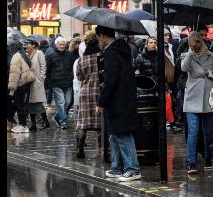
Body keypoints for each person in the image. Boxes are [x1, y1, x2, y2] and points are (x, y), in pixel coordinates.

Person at [96, 25, 141, 182]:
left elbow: (110, 80)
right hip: (125, 97)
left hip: (118, 100)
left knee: (122, 133)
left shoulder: (111, 53)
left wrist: (101, 101)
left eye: (98, 38)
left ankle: (133, 169)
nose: (98, 41)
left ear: (102, 36)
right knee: (114, 135)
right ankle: (116, 168)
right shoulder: (122, 49)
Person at [182, 32, 213, 174]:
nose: (195, 45)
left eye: (197, 42)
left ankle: (208, 158)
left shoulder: (211, 56)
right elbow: (184, 68)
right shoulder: (187, 55)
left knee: (208, 132)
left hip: (208, 98)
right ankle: (191, 162)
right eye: (192, 42)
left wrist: (210, 74)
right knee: (193, 131)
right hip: (192, 98)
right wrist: (190, 52)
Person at [75, 31, 101, 159]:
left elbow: (79, 77)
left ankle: (80, 148)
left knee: (82, 122)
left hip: (85, 93)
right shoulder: (101, 57)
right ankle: (103, 145)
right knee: (101, 120)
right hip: (99, 92)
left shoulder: (81, 59)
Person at [45, 36, 75, 129]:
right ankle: (63, 122)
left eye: (63, 44)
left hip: (68, 82)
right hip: (56, 83)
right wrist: (49, 82)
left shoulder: (70, 55)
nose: (62, 46)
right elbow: (47, 70)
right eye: (60, 44)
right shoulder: (51, 55)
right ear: (56, 45)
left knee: (68, 102)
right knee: (61, 103)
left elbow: (73, 67)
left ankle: (58, 117)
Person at [8, 40, 35, 133]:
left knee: (19, 105)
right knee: (21, 104)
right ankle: (22, 125)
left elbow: (14, 73)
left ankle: (22, 125)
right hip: (26, 83)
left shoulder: (15, 57)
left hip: (20, 84)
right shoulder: (24, 55)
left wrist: (12, 88)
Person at [24, 37, 50, 131]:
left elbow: (43, 66)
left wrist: (41, 79)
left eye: (28, 44)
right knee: (30, 103)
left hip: (37, 82)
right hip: (29, 82)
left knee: (38, 103)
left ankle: (45, 121)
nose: (26, 46)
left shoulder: (39, 53)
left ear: (33, 45)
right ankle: (33, 124)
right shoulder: (28, 54)